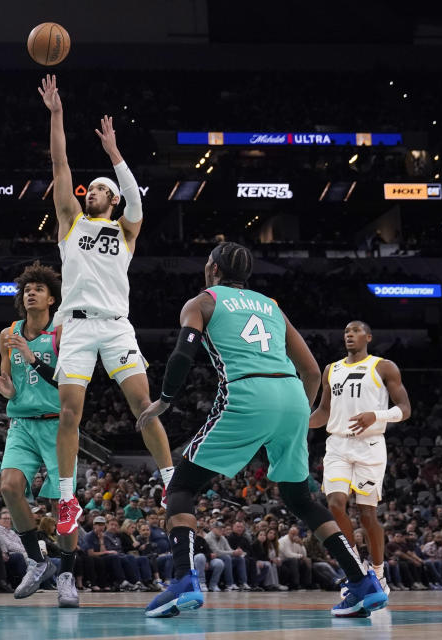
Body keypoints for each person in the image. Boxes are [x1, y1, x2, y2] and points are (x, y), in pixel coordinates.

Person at [138, 242, 386, 618]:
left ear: (214, 270)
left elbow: (181, 355)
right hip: (291, 394)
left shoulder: (202, 302)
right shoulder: (270, 304)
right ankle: (364, 582)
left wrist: (164, 401)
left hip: (247, 393)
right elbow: (314, 371)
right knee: (301, 498)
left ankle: (183, 579)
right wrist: (299, 415)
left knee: (181, 487)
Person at [37, 75, 174, 538]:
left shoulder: (126, 232)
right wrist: (57, 115)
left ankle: (169, 481)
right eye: (89, 189)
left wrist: (115, 155)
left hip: (117, 327)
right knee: (70, 412)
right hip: (76, 327)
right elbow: (60, 165)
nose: (89, 192)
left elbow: (136, 200)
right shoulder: (71, 223)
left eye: (98, 189)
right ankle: (67, 497)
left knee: (144, 405)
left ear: (112, 199)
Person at [0, 262, 78, 606]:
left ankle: (67, 573)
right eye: (27, 289)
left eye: (38, 289)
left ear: (52, 299)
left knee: (62, 506)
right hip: (23, 424)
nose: (31, 293)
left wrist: (31, 356)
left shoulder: (62, 333)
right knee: (10, 487)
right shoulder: (7, 333)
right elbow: (10, 382)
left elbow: (67, 380)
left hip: (59, 424)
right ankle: (37, 561)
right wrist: (6, 390)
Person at [309, 320, 411, 595]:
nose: (349, 335)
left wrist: (375, 416)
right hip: (338, 445)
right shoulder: (332, 369)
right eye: (345, 331)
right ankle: (356, 568)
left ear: (368, 336)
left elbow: (405, 409)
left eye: (355, 331)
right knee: (335, 503)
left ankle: (378, 573)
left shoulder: (383, 366)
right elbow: (323, 412)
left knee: (367, 515)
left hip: (370, 446)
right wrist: (299, 422)